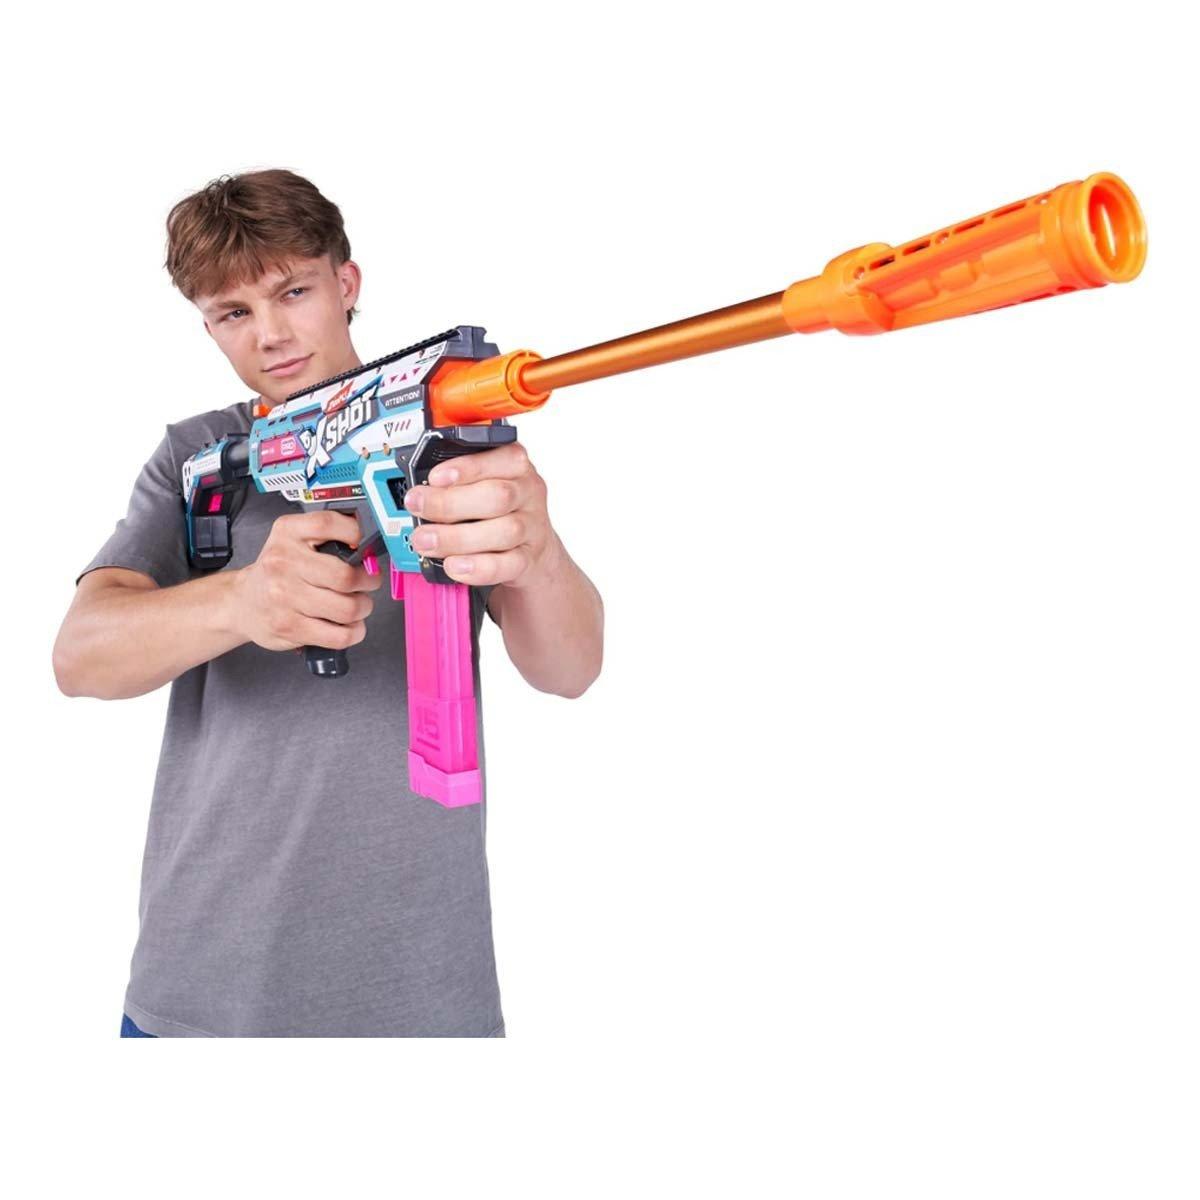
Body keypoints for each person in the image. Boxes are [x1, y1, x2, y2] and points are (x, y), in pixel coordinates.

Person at [52, 169, 604, 1037]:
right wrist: (242, 601)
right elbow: (79, 656)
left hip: (423, 986)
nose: (270, 335)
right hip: (206, 984)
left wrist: (534, 552)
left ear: (346, 283)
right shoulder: (197, 454)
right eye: (234, 313)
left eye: (293, 292)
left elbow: (570, 670)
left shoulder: (447, 446)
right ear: (207, 326)